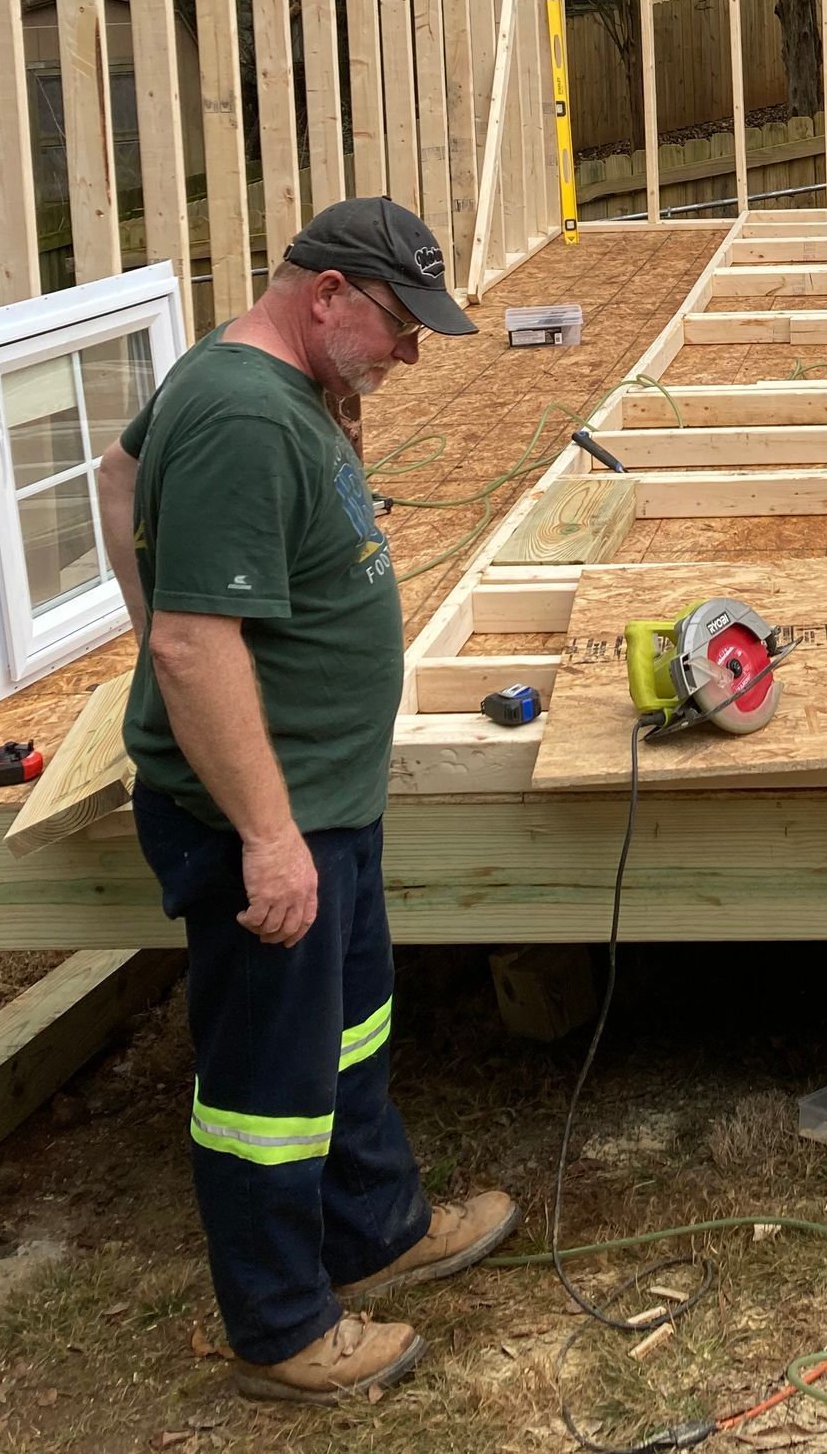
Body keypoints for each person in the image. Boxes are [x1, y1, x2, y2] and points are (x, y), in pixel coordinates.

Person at [96, 199, 519, 1408]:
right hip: (263, 817)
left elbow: (120, 478)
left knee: (344, 1035)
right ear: (325, 293)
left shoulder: (276, 389)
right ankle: (281, 1324)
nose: (411, 353)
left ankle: (375, 1227)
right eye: (398, 326)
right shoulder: (240, 413)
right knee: (265, 1089)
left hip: (321, 794)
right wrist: (267, 831)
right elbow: (192, 640)